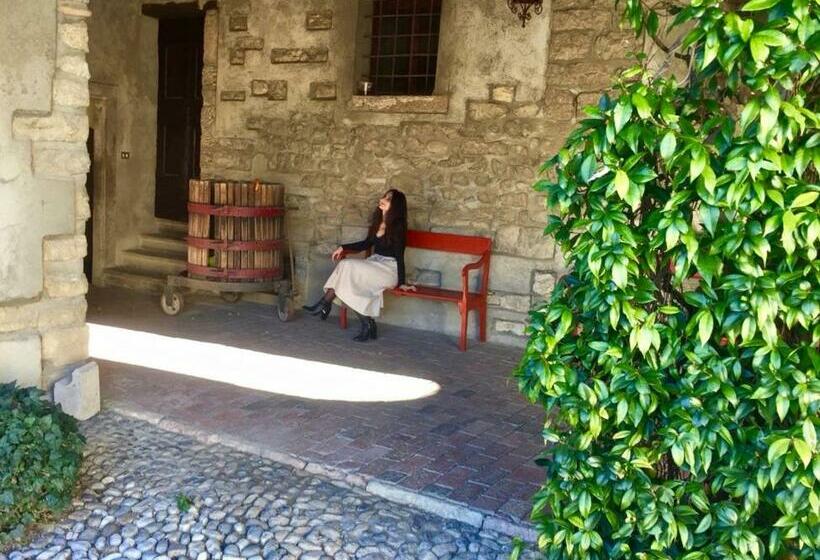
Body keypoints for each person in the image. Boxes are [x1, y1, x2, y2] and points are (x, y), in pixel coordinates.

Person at [302, 189, 416, 342]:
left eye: (389, 199)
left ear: (395, 205)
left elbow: (400, 256)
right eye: (384, 196)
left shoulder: (398, 227)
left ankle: (325, 303)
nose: (383, 199)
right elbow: (365, 244)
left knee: (347, 267)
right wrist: (343, 247)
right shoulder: (378, 222)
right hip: (374, 264)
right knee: (346, 272)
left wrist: (401, 282)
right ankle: (366, 323)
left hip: (389, 269)